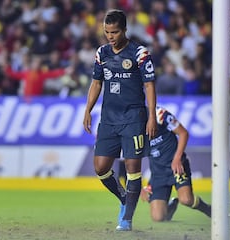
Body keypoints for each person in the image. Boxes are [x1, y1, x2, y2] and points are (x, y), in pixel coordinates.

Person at [83, 9, 157, 231]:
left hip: (134, 118)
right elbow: (97, 83)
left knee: (133, 168)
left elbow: (150, 85)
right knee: (100, 167)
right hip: (108, 119)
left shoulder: (139, 53)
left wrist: (151, 116)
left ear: (125, 30)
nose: (110, 36)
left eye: (114, 32)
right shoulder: (102, 53)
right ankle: (124, 197)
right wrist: (88, 109)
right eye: (107, 32)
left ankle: (127, 219)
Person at [140, 106, 211, 221]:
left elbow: (183, 133)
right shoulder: (130, 126)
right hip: (158, 174)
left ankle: (208, 209)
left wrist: (177, 158)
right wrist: (138, 187)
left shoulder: (159, 114)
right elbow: (130, 158)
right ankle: (169, 209)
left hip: (176, 166)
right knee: (158, 217)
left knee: (186, 200)